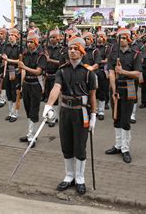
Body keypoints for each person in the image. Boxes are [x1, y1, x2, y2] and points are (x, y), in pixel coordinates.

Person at [44, 36, 97, 195]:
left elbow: (93, 96)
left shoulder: (88, 73)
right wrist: (48, 105)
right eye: (70, 49)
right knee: (66, 145)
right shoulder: (62, 70)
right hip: (65, 111)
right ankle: (69, 175)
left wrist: (93, 115)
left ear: (81, 52)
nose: (72, 51)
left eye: (75, 49)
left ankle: (80, 178)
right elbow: (56, 88)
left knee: (80, 146)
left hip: (82, 112)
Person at [105, 28, 142, 164]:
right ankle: (118, 145)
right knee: (116, 116)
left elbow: (137, 73)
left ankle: (125, 149)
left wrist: (123, 71)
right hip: (117, 87)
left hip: (130, 87)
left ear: (129, 39)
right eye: (120, 38)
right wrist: (114, 90)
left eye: (125, 38)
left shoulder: (135, 54)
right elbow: (111, 72)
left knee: (126, 119)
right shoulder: (113, 53)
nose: (122, 40)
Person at [17, 31, 47, 147]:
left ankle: (32, 136)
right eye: (27, 42)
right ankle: (30, 133)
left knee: (34, 111)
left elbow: (38, 72)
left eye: (31, 42)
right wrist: (20, 82)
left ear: (36, 43)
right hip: (26, 84)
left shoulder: (41, 56)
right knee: (28, 110)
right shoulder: (25, 54)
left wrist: (24, 67)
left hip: (36, 85)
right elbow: (23, 71)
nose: (28, 44)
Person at [1, 28, 21, 122]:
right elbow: (4, 60)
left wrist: (8, 60)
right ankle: (10, 112)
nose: (10, 37)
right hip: (7, 70)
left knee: (14, 93)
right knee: (8, 92)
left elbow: (20, 61)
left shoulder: (20, 47)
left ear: (17, 36)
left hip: (15, 70)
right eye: (9, 35)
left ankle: (15, 114)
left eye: (12, 35)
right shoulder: (6, 46)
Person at [43, 29, 62, 126]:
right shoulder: (47, 48)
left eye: (54, 37)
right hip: (47, 74)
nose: (52, 39)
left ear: (58, 38)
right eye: (51, 37)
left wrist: (49, 60)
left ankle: (53, 118)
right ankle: (50, 116)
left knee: (54, 98)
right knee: (47, 96)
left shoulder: (62, 49)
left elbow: (62, 63)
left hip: (56, 75)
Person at [96, 30, 111, 120]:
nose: (99, 38)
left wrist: (96, 61)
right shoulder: (93, 48)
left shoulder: (107, 48)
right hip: (93, 71)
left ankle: (101, 111)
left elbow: (106, 60)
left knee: (102, 91)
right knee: (94, 91)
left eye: (101, 36)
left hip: (102, 71)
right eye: (98, 36)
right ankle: (95, 109)